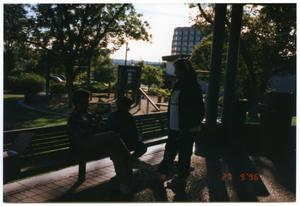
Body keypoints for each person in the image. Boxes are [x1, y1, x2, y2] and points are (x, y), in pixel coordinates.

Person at [67, 89, 133, 195]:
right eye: (85, 100)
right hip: (83, 145)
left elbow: (101, 126)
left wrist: (95, 125)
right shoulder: (75, 116)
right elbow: (83, 134)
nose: (87, 102)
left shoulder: (89, 113)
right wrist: (95, 126)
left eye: (87, 100)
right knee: (112, 135)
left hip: (95, 143)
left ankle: (123, 183)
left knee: (116, 152)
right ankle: (130, 159)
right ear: (78, 101)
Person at [158, 58, 205, 193]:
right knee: (171, 151)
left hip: (186, 129)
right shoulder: (179, 84)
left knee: (184, 154)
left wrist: (186, 127)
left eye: (177, 69)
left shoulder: (192, 86)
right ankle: (166, 176)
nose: (175, 72)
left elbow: (197, 110)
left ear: (185, 71)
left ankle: (179, 180)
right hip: (175, 128)